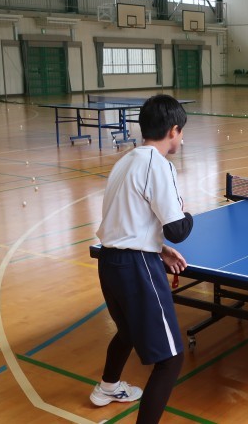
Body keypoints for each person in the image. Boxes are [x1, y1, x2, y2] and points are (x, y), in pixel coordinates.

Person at [91, 94, 193, 423]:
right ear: (173, 130)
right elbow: (177, 229)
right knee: (171, 359)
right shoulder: (159, 165)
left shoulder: (125, 161)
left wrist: (159, 248)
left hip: (109, 261)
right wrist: (188, 214)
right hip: (136, 268)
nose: (181, 139)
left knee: (128, 332)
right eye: (181, 132)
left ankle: (108, 387)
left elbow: (127, 217)